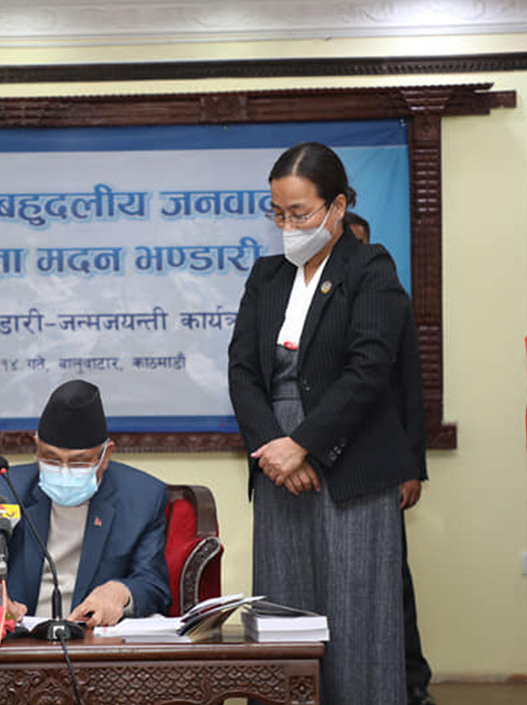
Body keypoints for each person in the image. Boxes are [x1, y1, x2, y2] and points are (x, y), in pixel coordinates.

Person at [228, 142, 420, 704]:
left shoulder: (370, 268)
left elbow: (369, 370)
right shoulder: (266, 276)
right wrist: (275, 447)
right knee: (284, 616)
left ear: (337, 207)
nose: (288, 227)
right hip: (277, 466)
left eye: (300, 213)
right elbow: (242, 371)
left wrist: (305, 445)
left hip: (350, 462)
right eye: (278, 214)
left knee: (358, 622)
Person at [0, 379, 170, 626]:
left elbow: (153, 584)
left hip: (92, 638)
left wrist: (121, 592)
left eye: (79, 462)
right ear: (36, 447)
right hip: (20, 636)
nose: (63, 470)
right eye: (50, 459)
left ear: (106, 456)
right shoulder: (5, 489)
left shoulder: (143, 497)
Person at [344, 212, 436, 705]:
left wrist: (411, 467)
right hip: (325, 466)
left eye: (358, 246)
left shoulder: (388, 298)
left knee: (392, 580)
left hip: (382, 465)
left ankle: (410, 682)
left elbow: (409, 389)